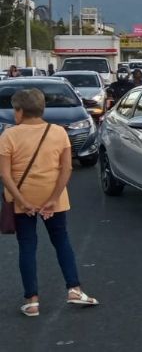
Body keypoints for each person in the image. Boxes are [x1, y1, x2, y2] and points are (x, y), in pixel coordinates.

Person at [0, 89, 98, 316]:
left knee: (27, 246)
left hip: (21, 199)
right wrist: (53, 198)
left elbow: (5, 174)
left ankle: (31, 300)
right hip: (54, 199)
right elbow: (67, 168)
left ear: (20, 111)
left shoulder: (8, 136)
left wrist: (21, 201)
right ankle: (74, 289)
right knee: (61, 241)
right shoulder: (58, 133)